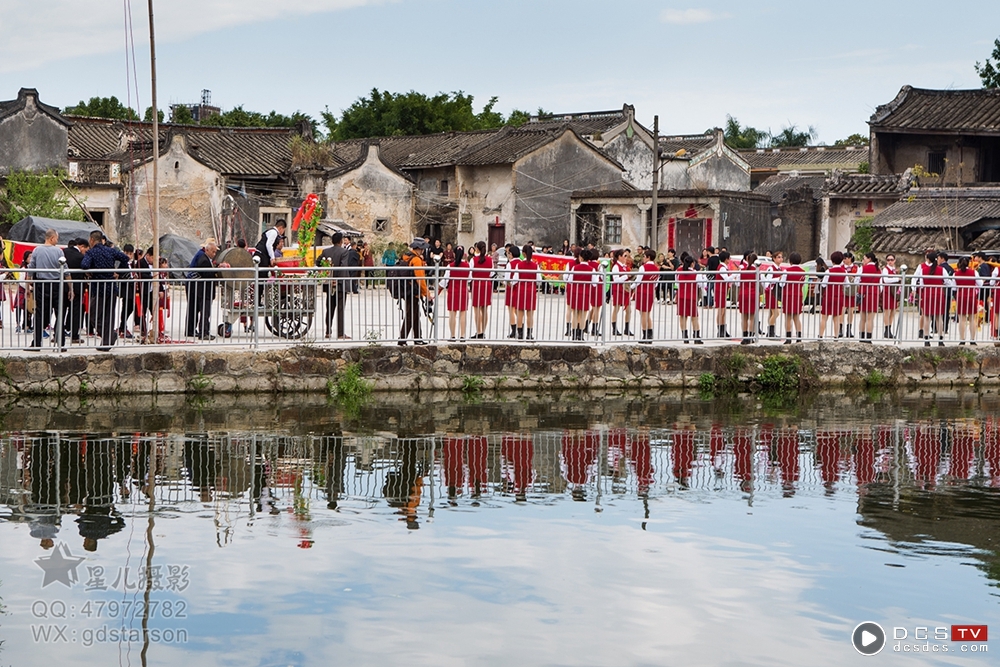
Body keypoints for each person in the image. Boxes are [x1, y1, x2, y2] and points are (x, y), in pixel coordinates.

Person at [81, 230, 132, 351]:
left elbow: (84, 265)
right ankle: (107, 339)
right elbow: (125, 258)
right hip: (111, 287)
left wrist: (90, 273)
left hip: (98, 288)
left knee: (93, 315)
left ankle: (107, 337)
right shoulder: (111, 250)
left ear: (92, 240)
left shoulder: (91, 253)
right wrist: (117, 271)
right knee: (109, 316)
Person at [26, 228, 68, 350]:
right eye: (57, 238)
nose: (57, 240)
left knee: (39, 314)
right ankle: (60, 343)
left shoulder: (37, 250)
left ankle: (36, 343)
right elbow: (65, 270)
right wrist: (70, 287)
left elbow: (31, 269)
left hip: (41, 285)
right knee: (59, 313)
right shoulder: (59, 251)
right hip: (56, 284)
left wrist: (28, 287)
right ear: (52, 238)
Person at [185, 238, 227, 340]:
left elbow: (211, 266)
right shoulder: (202, 257)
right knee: (203, 311)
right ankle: (203, 332)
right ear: (206, 249)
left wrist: (217, 266)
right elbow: (207, 273)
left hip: (197, 287)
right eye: (213, 251)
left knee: (195, 309)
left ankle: (191, 330)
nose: (214, 254)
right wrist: (217, 272)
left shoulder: (205, 257)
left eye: (215, 252)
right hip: (200, 288)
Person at [398, 238, 432, 345]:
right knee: (410, 315)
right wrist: (427, 293)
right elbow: (420, 278)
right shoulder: (416, 260)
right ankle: (402, 339)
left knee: (415, 314)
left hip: (407, 290)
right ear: (419, 249)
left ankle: (418, 338)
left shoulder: (406, 257)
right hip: (413, 291)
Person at [319, 232, 349, 339]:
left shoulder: (325, 251)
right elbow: (343, 266)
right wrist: (338, 279)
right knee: (340, 309)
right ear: (341, 241)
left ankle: (328, 331)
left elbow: (318, 262)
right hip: (340, 284)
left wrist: (326, 274)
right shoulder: (344, 252)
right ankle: (340, 333)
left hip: (329, 283)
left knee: (329, 308)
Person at [914, 250, 946, 346]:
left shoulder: (923, 270)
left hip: (927, 294)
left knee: (927, 317)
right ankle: (940, 339)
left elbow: (922, 284)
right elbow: (948, 281)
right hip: (938, 294)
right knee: (938, 317)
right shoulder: (941, 270)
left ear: (928, 259)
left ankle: (926, 339)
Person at [62, 238, 89, 344]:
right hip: (77, 288)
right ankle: (74, 336)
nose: (85, 252)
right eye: (85, 250)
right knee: (75, 312)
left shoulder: (63, 252)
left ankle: (58, 334)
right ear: (82, 246)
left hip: (62, 286)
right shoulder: (81, 257)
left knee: (61, 311)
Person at [567, 248, 597, 341]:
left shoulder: (574, 268)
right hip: (586, 293)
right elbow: (594, 283)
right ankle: (581, 335)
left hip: (575, 293)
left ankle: (574, 334)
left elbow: (570, 281)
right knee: (583, 315)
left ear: (580, 257)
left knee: (575, 315)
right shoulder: (592, 269)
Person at [441, 246, 470, 341]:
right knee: (463, 314)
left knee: (452, 314)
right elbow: (469, 279)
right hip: (463, 291)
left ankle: (453, 335)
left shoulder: (450, 266)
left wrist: (438, 289)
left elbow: (444, 281)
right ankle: (462, 336)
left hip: (453, 292)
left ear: (454, 254)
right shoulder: (467, 266)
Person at [676, 255, 705, 344]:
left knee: (683, 316)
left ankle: (685, 335)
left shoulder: (678, 271)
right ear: (692, 264)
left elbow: (677, 283)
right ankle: (696, 335)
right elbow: (701, 284)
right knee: (694, 316)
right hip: (691, 296)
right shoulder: (695, 273)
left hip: (681, 295)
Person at [512, 244, 539, 340]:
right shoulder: (535, 265)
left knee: (520, 313)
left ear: (523, 253)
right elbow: (539, 280)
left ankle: (520, 334)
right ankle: (529, 334)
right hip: (531, 291)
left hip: (521, 290)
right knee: (530, 314)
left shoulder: (519, 265)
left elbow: (515, 279)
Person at [953, 256, 981, 345]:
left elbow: (954, 287)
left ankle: (962, 339)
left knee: (962, 319)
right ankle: (972, 339)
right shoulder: (974, 272)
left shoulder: (956, 274)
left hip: (961, 296)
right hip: (971, 296)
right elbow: (980, 284)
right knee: (972, 318)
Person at [819, 251, 847, 340]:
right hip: (839, 296)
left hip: (829, 295)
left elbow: (823, 284)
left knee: (824, 317)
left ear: (832, 260)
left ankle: (820, 335)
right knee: (836, 317)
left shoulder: (829, 271)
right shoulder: (844, 271)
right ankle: (836, 336)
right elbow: (847, 284)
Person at [781, 252, 806, 344]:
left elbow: (782, 284)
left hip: (788, 295)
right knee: (797, 317)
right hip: (798, 295)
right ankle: (799, 337)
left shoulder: (786, 271)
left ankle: (788, 338)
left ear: (790, 261)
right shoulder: (803, 272)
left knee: (788, 317)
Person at [635, 249, 659, 344]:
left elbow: (638, 280)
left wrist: (632, 286)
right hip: (650, 291)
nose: (643, 258)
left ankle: (645, 334)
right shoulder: (656, 269)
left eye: (644, 256)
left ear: (648, 257)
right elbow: (656, 283)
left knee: (643, 314)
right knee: (647, 313)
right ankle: (650, 334)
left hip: (642, 291)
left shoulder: (643, 267)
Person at [469, 241, 492, 339]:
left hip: (476, 284)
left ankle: (479, 331)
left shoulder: (473, 260)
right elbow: (491, 273)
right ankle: (483, 330)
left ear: (476, 249)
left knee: (477, 309)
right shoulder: (490, 260)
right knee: (485, 308)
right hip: (487, 283)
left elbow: (469, 274)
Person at [857, 252, 881, 343]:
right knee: (871, 318)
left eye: (864, 258)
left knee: (862, 318)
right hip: (874, 293)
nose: (863, 260)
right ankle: (869, 337)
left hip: (864, 293)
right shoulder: (878, 269)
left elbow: (857, 280)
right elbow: (881, 284)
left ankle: (861, 337)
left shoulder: (862, 268)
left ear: (869, 259)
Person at [610, 249, 633, 336]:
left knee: (628, 310)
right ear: (619, 257)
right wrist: (626, 276)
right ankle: (614, 328)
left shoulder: (625, 266)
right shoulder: (616, 267)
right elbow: (615, 279)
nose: (626, 258)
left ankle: (627, 328)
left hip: (625, 290)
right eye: (624, 256)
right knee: (616, 309)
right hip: (618, 289)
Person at [762, 251, 784, 338]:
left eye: (781, 257)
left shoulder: (780, 269)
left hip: (776, 291)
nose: (780, 259)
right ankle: (770, 330)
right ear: (774, 259)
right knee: (776, 312)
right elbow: (768, 280)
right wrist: (779, 278)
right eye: (778, 257)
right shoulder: (771, 269)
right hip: (771, 291)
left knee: (772, 313)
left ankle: (771, 332)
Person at [881, 254, 901, 339]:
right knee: (887, 311)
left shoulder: (894, 270)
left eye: (891, 260)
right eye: (888, 260)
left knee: (893, 311)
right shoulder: (885, 270)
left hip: (893, 291)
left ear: (894, 260)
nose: (890, 261)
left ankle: (889, 328)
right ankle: (886, 329)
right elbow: (886, 280)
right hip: (887, 291)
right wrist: (897, 279)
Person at [503, 244, 521, 339]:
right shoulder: (521, 263)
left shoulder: (510, 264)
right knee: (519, 310)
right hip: (520, 288)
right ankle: (520, 328)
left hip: (511, 288)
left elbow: (507, 278)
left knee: (511, 310)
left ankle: (514, 330)